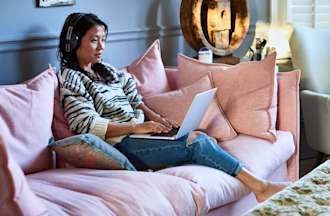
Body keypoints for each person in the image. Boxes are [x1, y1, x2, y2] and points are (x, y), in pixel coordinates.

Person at [57, 12, 287, 202]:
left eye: (103, 39)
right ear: (74, 42)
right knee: (196, 142)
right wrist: (137, 128)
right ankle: (260, 187)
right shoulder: (71, 77)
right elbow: (85, 124)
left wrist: (156, 120)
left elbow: (134, 99)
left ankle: (182, 153)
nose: (101, 46)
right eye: (94, 40)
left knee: (196, 135)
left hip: (141, 135)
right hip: (123, 145)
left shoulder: (105, 70)